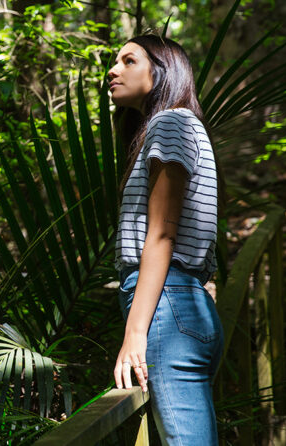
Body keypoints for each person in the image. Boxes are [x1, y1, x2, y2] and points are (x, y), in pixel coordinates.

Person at [107, 34, 224, 446]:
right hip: (180, 305)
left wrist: (135, 333)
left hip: (165, 309)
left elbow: (161, 234)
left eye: (128, 60)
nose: (113, 70)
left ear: (160, 72)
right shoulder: (179, 125)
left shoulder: (170, 123)